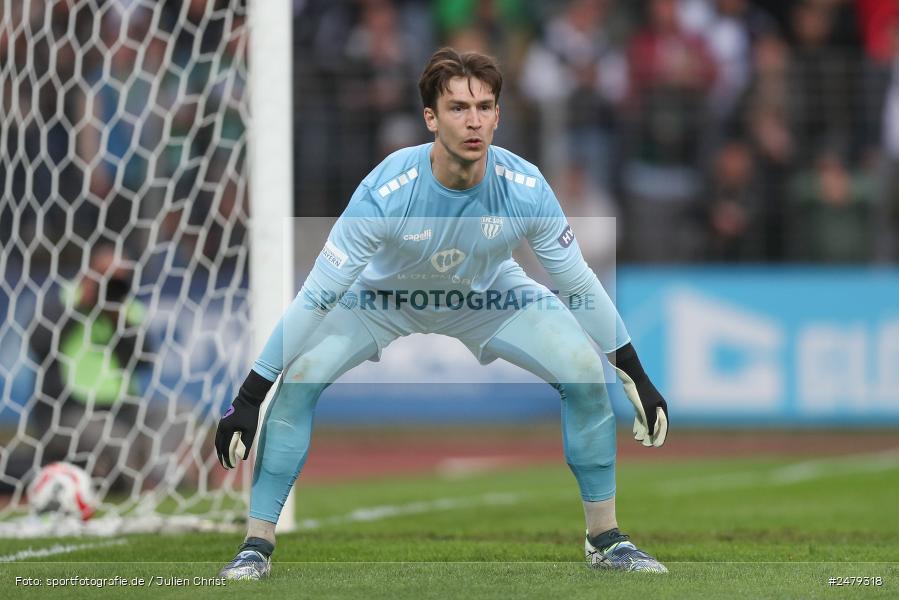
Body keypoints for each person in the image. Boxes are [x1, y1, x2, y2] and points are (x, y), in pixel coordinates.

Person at [215, 47, 669, 580]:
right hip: (381, 300)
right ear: (430, 117)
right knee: (300, 379)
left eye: (484, 107)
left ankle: (606, 538)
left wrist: (633, 370)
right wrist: (250, 396)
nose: (473, 120)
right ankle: (256, 546)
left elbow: (579, 285)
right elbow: (316, 297)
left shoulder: (524, 188)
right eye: (457, 108)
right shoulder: (387, 191)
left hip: (487, 295)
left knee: (586, 373)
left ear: (498, 116)